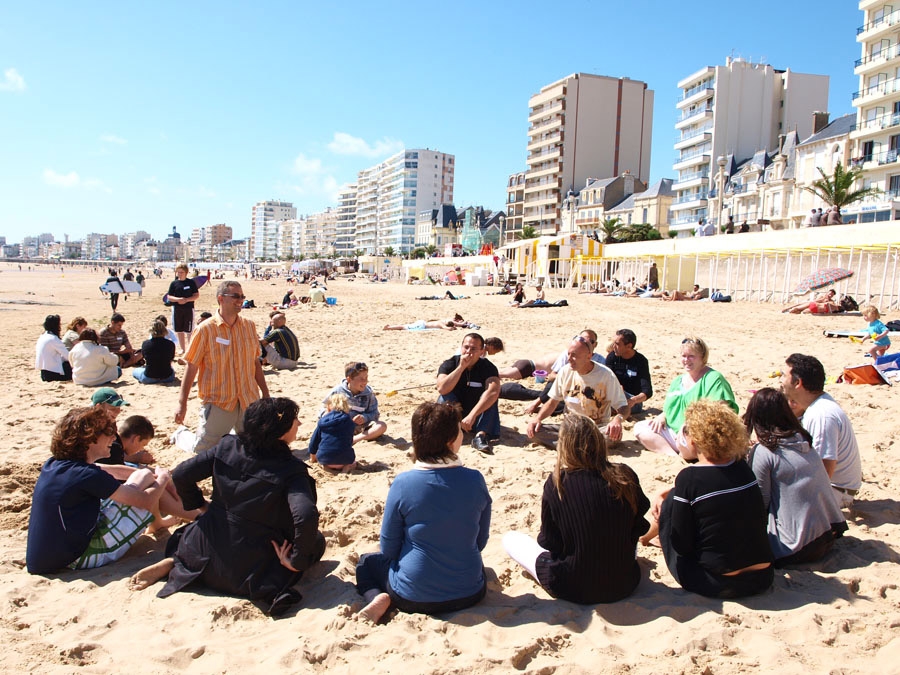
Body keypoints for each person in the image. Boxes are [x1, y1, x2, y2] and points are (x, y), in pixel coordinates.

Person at [129, 398, 325, 618]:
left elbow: (183, 473)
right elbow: (306, 515)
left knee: (193, 533)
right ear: (279, 431)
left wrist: (200, 506)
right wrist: (296, 561)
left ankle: (179, 561)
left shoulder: (228, 446)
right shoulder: (291, 470)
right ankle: (185, 564)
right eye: (294, 420)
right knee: (315, 542)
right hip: (252, 562)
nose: (299, 423)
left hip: (205, 544)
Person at [355, 401, 491, 623]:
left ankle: (377, 596)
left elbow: (389, 547)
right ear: (450, 442)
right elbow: (480, 541)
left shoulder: (404, 483)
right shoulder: (476, 479)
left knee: (365, 563)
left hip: (413, 595)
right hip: (470, 593)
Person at [503, 414, 649, 603]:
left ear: (564, 446)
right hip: (624, 582)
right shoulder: (624, 474)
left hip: (572, 586)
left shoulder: (558, 483)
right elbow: (639, 526)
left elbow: (549, 541)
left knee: (511, 539)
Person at [646, 400, 773, 598]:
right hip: (763, 577)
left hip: (718, 582)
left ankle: (645, 538)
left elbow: (681, 544)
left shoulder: (689, 478)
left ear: (694, 441)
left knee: (672, 505)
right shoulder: (743, 468)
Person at [25, 406, 170, 574]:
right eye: (108, 432)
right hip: (74, 558)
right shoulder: (87, 475)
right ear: (90, 438)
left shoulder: (56, 464)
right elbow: (144, 501)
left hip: (46, 557)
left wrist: (148, 474)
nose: (113, 438)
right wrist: (163, 477)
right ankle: (194, 514)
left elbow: (111, 471)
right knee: (144, 484)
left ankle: (186, 514)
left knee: (143, 476)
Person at [743, 388, 847, 565]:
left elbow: (760, 502)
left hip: (795, 547)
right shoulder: (802, 439)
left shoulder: (765, 452)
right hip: (828, 534)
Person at [175, 281, 270, 454]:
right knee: (203, 450)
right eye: (235, 296)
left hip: (248, 398)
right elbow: (191, 367)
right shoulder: (205, 330)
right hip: (219, 401)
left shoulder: (249, 326)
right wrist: (182, 404)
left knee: (254, 447)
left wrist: (265, 392)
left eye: (242, 296)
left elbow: (255, 362)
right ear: (221, 299)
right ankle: (181, 435)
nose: (240, 300)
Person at [780, 354, 862, 508]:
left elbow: (824, 470)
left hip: (834, 491)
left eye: (784, 375)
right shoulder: (817, 405)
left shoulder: (821, 415)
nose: (780, 380)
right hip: (835, 487)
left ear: (798, 383)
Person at [634, 336, 737, 457]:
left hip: (698, 433)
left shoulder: (713, 378)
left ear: (702, 357)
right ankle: (672, 455)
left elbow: (720, 411)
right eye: (683, 356)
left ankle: (685, 452)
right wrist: (663, 416)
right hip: (674, 431)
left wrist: (690, 425)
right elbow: (669, 408)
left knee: (691, 440)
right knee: (640, 427)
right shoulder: (678, 381)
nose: (686, 360)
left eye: (691, 356)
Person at [526, 335, 628, 449]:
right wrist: (537, 419)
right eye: (568, 354)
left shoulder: (606, 375)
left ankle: (570, 445)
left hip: (596, 428)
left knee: (611, 436)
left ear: (588, 356)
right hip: (570, 427)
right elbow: (552, 402)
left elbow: (623, 407)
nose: (569, 359)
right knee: (534, 432)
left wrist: (617, 420)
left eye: (574, 355)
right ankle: (578, 446)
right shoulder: (565, 371)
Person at [437, 333, 501, 453]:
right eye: (466, 347)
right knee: (444, 396)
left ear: (482, 351)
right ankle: (447, 433)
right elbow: (442, 388)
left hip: (477, 413)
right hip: (456, 411)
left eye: (473, 349)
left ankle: (480, 436)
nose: (468, 352)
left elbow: (494, 391)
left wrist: (472, 415)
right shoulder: (450, 364)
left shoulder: (488, 367)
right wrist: (461, 368)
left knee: (490, 396)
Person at [322, 361, 387, 444]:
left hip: (362, 429)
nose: (365, 382)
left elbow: (375, 413)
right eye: (361, 379)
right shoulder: (337, 391)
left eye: (366, 378)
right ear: (349, 379)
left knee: (381, 426)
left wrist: (364, 417)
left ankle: (354, 440)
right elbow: (324, 409)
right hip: (341, 427)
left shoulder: (368, 394)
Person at [604, 329, 653, 416]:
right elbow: (608, 379)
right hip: (614, 394)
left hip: (632, 399)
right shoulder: (612, 357)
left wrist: (633, 400)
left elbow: (647, 391)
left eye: (617, 344)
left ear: (629, 346)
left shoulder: (641, 361)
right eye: (613, 343)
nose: (613, 346)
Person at [309, 393, 356, 471]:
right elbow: (348, 441)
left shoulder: (323, 421)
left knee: (323, 456)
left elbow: (314, 441)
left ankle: (325, 466)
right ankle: (346, 468)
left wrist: (313, 458)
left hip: (325, 458)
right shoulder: (349, 422)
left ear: (328, 407)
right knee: (352, 461)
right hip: (344, 459)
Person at [167, 263, 200, 354]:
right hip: (177, 308)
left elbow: (196, 295)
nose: (179, 274)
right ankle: (183, 348)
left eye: (181, 272)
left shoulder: (191, 283)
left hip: (188, 308)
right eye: (178, 272)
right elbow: (169, 296)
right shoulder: (174, 283)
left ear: (186, 272)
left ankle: (190, 348)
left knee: (189, 329)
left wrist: (186, 300)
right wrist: (178, 300)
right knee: (179, 329)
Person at [133, 319, 176, 384]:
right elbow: (171, 359)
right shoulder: (170, 344)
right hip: (167, 377)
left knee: (136, 370)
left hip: (149, 377)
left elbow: (145, 358)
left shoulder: (145, 344)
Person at [35, 314, 72, 382]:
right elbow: (67, 356)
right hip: (54, 373)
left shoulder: (42, 337)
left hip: (44, 372)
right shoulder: (53, 339)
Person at [383, 314, 470, 331]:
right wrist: (464, 323)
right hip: (422, 325)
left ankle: (389, 327)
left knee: (404, 326)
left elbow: (457, 324)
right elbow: (447, 328)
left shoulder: (443, 321)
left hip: (422, 324)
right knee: (403, 327)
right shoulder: (442, 323)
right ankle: (389, 327)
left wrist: (464, 323)